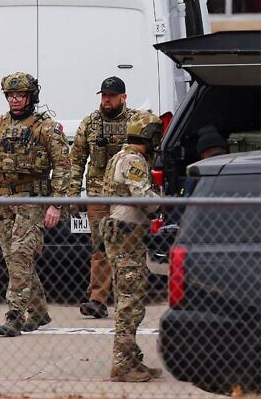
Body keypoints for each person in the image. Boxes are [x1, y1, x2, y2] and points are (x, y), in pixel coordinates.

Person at [0, 72, 71, 337]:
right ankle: (39, 312)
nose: (15, 100)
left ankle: (15, 315)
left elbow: (64, 167)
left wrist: (57, 204)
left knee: (20, 255)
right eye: (11, 96)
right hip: (3, 202)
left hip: (32, 201)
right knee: (13, 259)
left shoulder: (47, 127)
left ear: (31, 97)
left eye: (20, 95)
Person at [101, 110, 164, 382]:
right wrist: (163, 203)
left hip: (122, 234)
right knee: (130, 303)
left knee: (130, 298)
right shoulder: (133, 160)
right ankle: (122, 365)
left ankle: (131, 359)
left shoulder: (119, 156)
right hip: (126, 236)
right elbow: (143, 197)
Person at [68, 76, 138, 319]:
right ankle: (97, 299)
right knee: (99, 247)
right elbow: (76, 160)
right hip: (97, 194)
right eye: (103, 95)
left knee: (125, 246)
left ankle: (127, 298)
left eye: (111, 95)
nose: (106, 100)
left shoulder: (135, 123)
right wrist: (72, 195)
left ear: (123, 97)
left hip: (126, 196)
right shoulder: (90, 123)